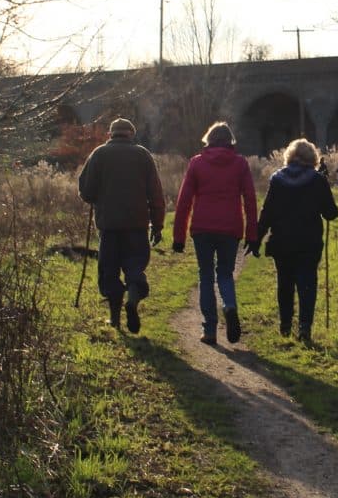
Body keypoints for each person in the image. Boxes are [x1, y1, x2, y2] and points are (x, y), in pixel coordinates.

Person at [172, 121, 258, 345]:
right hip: (231, 227)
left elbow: (184, 202)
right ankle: (229, 306)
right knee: (225, 274)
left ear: (208, 140)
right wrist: (252, 234)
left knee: (206, 276)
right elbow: (250, 199)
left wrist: (178, 237)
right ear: (230, 141)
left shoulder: (196, 163)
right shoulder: (240, 164)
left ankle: (209, 329)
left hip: (202, 228)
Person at [77, 117, 165, 333]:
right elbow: (156, 195)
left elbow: (86, 191)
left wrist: (96, 197)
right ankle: (133, 300)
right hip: (137, 225)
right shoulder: (143, 155)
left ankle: (115, 318)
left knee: (109, 271)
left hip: (109, 226)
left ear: (110, 134)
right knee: (135, 266)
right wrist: (158, 224)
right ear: (131, 134)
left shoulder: (98, 154)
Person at [253, 138, 338, 344]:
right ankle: (304, 328)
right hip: (309, 242)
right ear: (312, 158)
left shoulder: (277, 179)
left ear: (289, 157)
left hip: (282, 241)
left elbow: (267, 212)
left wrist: (256, 238)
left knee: (285, 283)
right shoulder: (317, 180)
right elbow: (331, 213)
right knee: (307, 284)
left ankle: (284, 326)